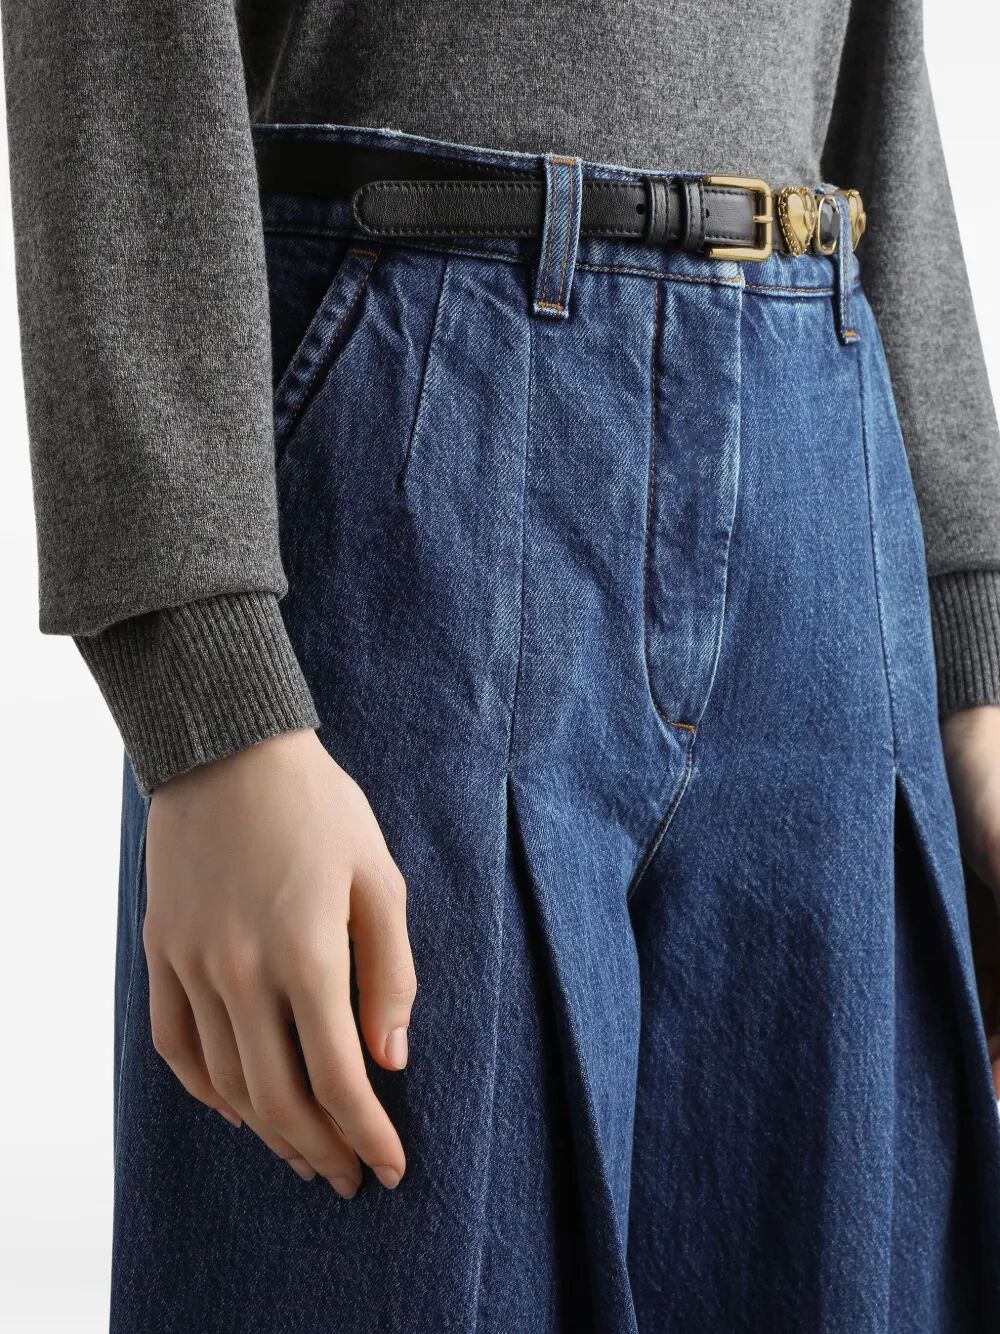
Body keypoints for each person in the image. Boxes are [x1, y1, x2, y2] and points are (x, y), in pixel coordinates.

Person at [3, 0, 1000, 1329]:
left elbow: (877, 65)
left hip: (827, 455)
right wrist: (209, 687)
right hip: (420, 434)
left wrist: (975, 658)